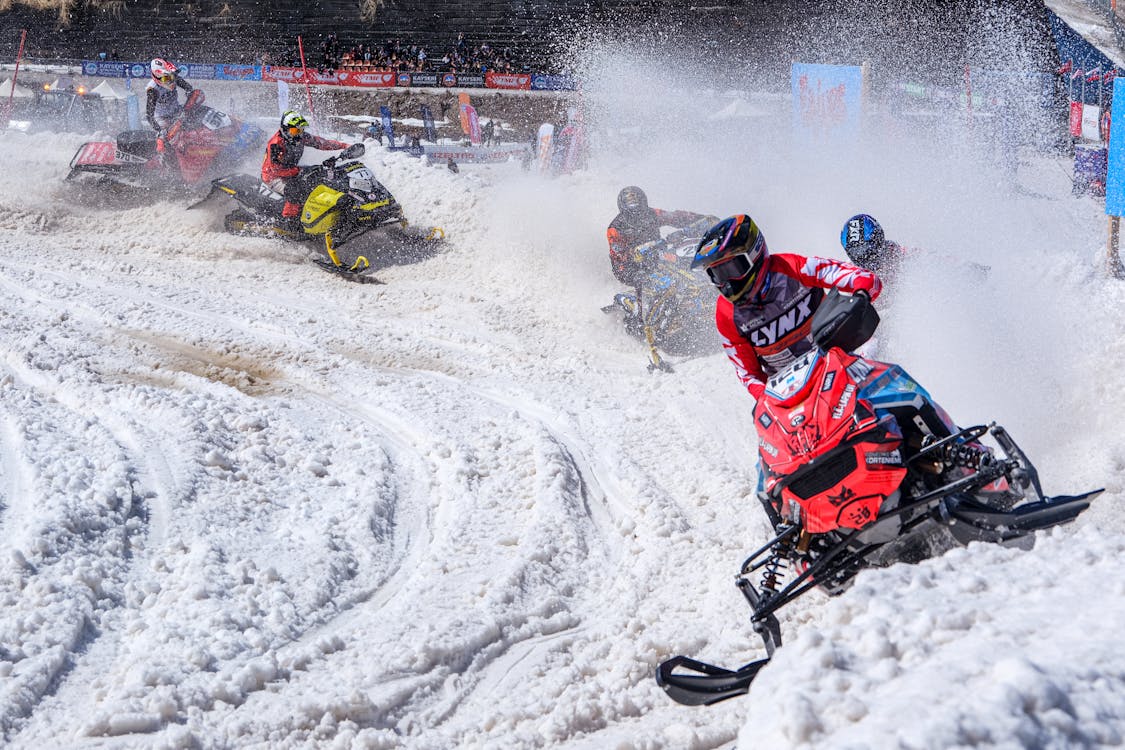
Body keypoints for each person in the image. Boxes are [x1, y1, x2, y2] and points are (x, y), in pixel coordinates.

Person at [692, 214, 883, 401]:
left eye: (730, 269)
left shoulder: (794, 267)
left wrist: (860, 298)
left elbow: (865, 278)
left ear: (753, 254)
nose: (727, 282)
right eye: (716, 274)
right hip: (793, 392)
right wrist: (767, 402)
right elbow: (749, 376)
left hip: (842, 360)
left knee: (872, 352)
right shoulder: (726, 314)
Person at [261, 111, 350, 232]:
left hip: (291, 171)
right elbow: (277, 170)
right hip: (273, 177)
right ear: (285, 129)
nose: (299, 134)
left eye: (301, 130)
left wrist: (343, 145)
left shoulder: (300, 137)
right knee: (295, 190)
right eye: (295, 131)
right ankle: (289, 222)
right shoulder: (276, 144)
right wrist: (300, 170)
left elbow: (320, 143)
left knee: (318, 179)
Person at [607, 186, 709, 287]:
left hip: (659, 257)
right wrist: (634, 271)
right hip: (633, 269)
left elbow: (674, 217)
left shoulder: (652, 214)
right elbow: (618, 259)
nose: (633, 204)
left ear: (643, 200)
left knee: (685, 255)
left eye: (635, 199)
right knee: (664, 284)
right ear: (622, 204)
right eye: (629, 201)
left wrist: (702, 219)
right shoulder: (615, 228)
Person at [839, 213, 905, 277]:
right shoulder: (849, 272)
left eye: (865, 248)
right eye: (855, 251)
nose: (862, 256)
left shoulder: (894, 252)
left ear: (878, 239)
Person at [145, 58, 194, 133]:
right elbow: (149, 116)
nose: (170, 80)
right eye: (166, 78)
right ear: (157, 78)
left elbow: (189, 88)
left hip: (177, 111)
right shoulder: (153, 90)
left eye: (172, 77)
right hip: (161, 118)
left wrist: (189, 96)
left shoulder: (173, 78)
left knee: (193, 124)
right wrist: (159, 130)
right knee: (167, 135)